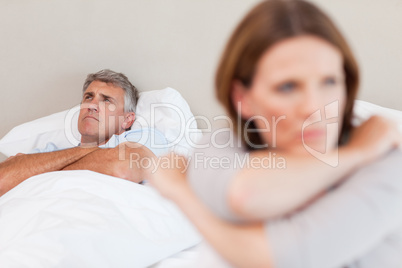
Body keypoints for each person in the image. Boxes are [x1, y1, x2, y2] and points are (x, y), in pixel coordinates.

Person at [149, 0, 402, 267]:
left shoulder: (388, 162)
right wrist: (357, 153)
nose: (314, 107)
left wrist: (181, 192)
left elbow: (285, 256)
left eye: (329, 82)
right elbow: (245, 195)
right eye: (287, 86)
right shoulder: (220, 144)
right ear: (242, 98)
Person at [0, 69, 167, 196]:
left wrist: (35, 171)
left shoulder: (146, 138)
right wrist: (84, 149)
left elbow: (122, 168)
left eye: (106, 100)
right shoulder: (51, 150)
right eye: (88, 97)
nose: (92, 105)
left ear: (127, 120)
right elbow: (2, 180)